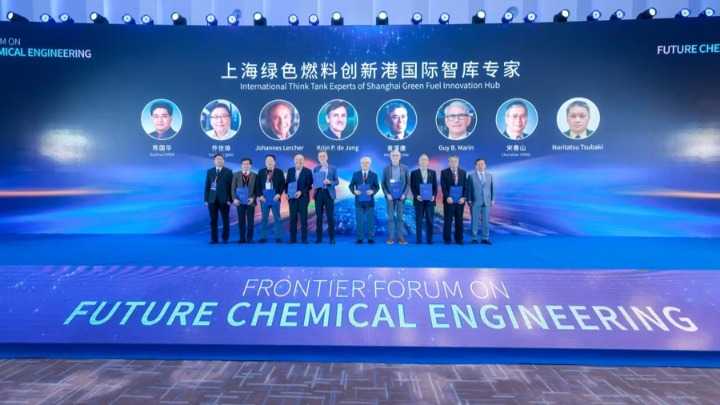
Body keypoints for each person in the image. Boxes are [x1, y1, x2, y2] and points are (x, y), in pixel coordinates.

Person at [203, 153, 233, 244]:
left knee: (225, 220)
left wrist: (230, 199)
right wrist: (206, 199)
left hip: (225, 200)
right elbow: (207, 186)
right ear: (214, 161)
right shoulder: (210, 171)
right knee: (213, 220)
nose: (219, 161)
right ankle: (214, 239)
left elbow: (231, 187)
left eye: (221, 159)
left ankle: (225, 238)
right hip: (212, 199)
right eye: (217, 159)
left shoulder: (228, 171)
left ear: (223, 161)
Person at [381, 149, 409, 244]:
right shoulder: (386, 169)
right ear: (390, 157)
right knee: (390, 218)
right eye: (393, 155)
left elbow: (408, 184)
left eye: (397, 155)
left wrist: (404, 194)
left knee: (400, 218)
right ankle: (391, 238)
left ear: (400, 157)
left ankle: (401, 238)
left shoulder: (405, 168)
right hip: (390, 197)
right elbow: (383, 183)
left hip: (401, 197)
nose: (395, 157)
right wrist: (387, 194)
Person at [349, 156, 380, 244]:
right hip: (359, 201)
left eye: (367, 162)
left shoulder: (374, 175)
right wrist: (354, 191)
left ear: (370, 164)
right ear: (360, 164)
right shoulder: (356, 174)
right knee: (359, 221)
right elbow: (351, 185)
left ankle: (370, 238)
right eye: (363, 162)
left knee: (370, 221)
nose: (365, 164)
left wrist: (373, 191)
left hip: (370, 202)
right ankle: (360, 238)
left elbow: (377, 187)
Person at [255, 154, 285, 243]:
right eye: (267, 161)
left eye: (271, 160)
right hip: (264, 199)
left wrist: (279, 194)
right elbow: (257, 185)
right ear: (265, 162)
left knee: (277, 218)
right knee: (264, 218)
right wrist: (260, 196)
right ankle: (263, 237)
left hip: (275, 198)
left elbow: (282, 184)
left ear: (274, 162)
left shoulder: (279, 172)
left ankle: (278, 237)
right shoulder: (261, 172)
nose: (269, 162)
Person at [410, 154, 437, 244]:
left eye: (425, 160)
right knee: (418, 220)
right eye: (422, 160)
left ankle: (430, 239)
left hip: (430, 201)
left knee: (430, 220)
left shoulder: (433, 172)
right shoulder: (414, 173)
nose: (424, 161)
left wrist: (433, 196)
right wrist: (416, 196)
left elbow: (435, 187)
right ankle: (419, 239)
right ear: (419, 162)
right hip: (419, 201)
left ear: (428, 162)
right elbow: (412, 186)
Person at [285, 154, 313, 244]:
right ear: (294, 161)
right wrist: (286, 193)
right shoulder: (290, 170)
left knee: (303, 219)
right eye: (297, 159)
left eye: (301, 159)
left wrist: (301, 192)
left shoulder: (308, 171)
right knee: (293, 219)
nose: (299, 161)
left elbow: (309, 185)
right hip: (292, 198)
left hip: (303, 198)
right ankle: (292, 238)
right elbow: (287, 183)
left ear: (303, 161)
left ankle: (304, 239)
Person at [312, 151, 338, 244]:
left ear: (327, 157)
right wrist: (314, 184)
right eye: (320, 156)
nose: (322, 158)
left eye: (323, 156)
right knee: (319, 217)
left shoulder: (333, 168)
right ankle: (319, 238)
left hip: (328, 194)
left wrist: (330, 182)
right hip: (318, 193)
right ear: (318, 158)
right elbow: (314, 181)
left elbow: (337, 181)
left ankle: (332, 238)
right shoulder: (316, 169)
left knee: (330, 217)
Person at [440, 156, 468, 244]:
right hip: (449, 201)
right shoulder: (444, 172)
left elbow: (466, 187)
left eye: (455, 161)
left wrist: (464, 197)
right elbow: (443, 187)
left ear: (458, 162)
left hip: (460, 201)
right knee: (448, 220)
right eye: (451, 161)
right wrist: (447, 197)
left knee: (459, 220)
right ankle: (447, 239)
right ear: (449, 163)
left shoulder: (463, 172)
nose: (454, 163)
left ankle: (459, 239)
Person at [467, 159, 495, 244]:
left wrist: (492, 199)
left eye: (482, 164)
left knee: (486, 221)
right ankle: (474, 238)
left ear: (485, 165)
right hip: (475, 201)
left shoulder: (489, 175)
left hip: (487, 201)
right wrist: (469, 199)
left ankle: (485, 238)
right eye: (479, 164)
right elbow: (469, 189)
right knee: (474, 220)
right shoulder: (471, 176)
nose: (481, 165)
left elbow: (492, 188)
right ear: (476, 166)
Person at [231, 157, 257, 244]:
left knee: (250, 221)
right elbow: (233, 188)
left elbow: (257, 189)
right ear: (241, 165)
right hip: (240, 202)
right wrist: (234, 199)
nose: (245, 165)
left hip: (250, 202)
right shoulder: (235, 175)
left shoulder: (255, 175)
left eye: (247, 164)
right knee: (241, 221)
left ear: (250, 165)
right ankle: (242, 238)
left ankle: (250, 238)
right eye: (244, 164)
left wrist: (253, 198)